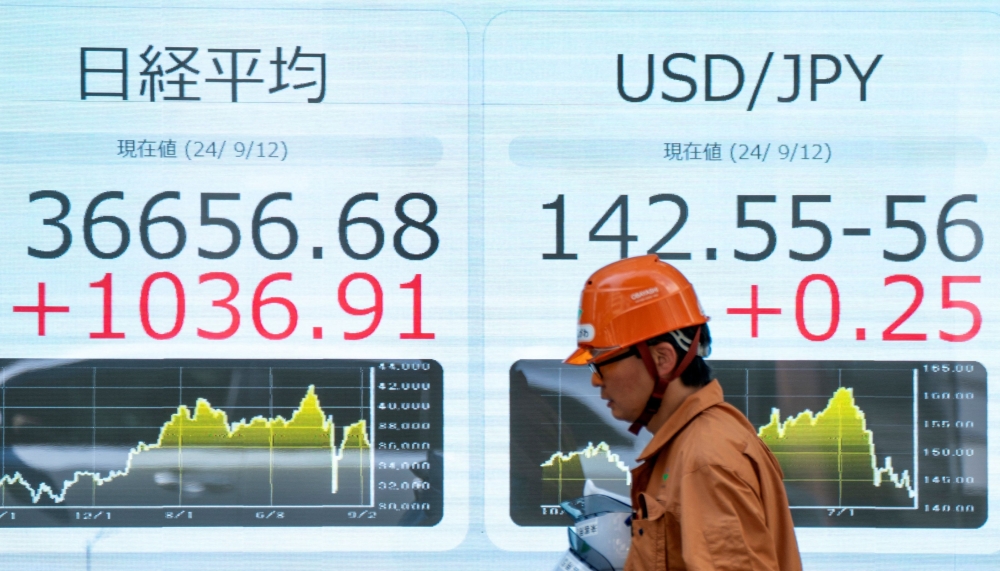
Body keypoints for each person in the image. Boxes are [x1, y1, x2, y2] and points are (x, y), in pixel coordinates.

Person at [565, 254, 802, 571]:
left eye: (602, 362)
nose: (595, 379)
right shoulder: (689, 447)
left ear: (662, 359)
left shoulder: (706, 460)